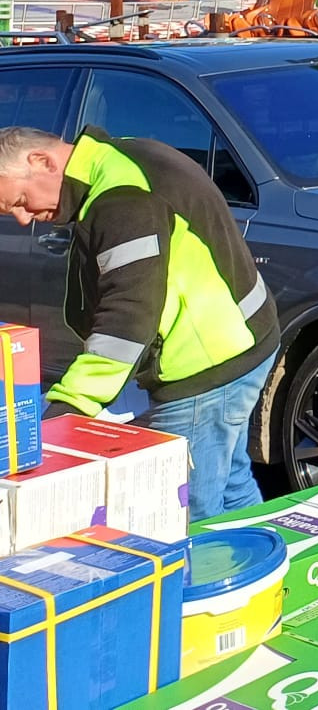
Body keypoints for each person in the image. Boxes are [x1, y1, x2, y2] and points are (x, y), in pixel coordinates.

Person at [0, 125, 277, 519]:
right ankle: (271, 552)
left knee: (187, 512)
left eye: (20, 201)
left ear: (42, 161)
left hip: (205, 367)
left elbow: (127, 319)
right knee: (231, 485)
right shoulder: (122, 157)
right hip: (244, 339)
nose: (23, 218)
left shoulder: (121, 198)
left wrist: (70, 406)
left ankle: (218, 559)